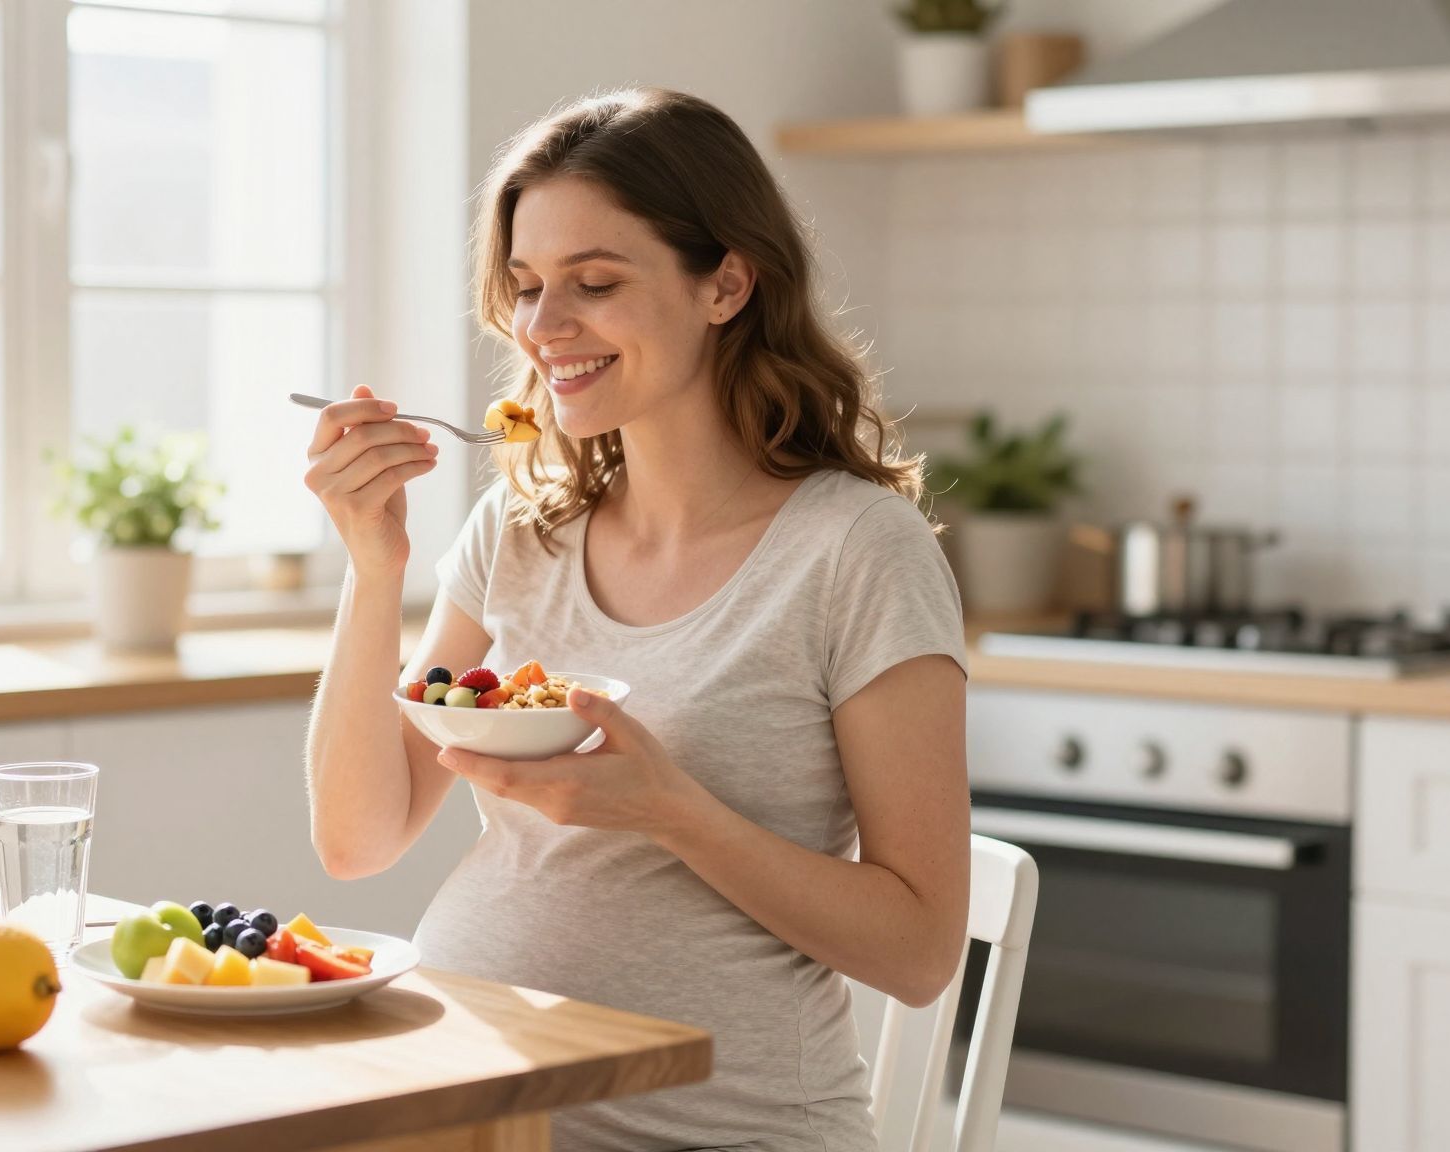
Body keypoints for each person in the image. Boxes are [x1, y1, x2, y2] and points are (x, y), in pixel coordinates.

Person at [300, 89, 969, 1152]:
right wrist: (371, 569)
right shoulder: (520, 529)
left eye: (594, 284)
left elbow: (922, 951)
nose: (542, 328)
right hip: (473, 1108)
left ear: (727, 283)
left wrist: (673, 809)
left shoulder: (855, 552)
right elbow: (356, 838)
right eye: (523, 289)